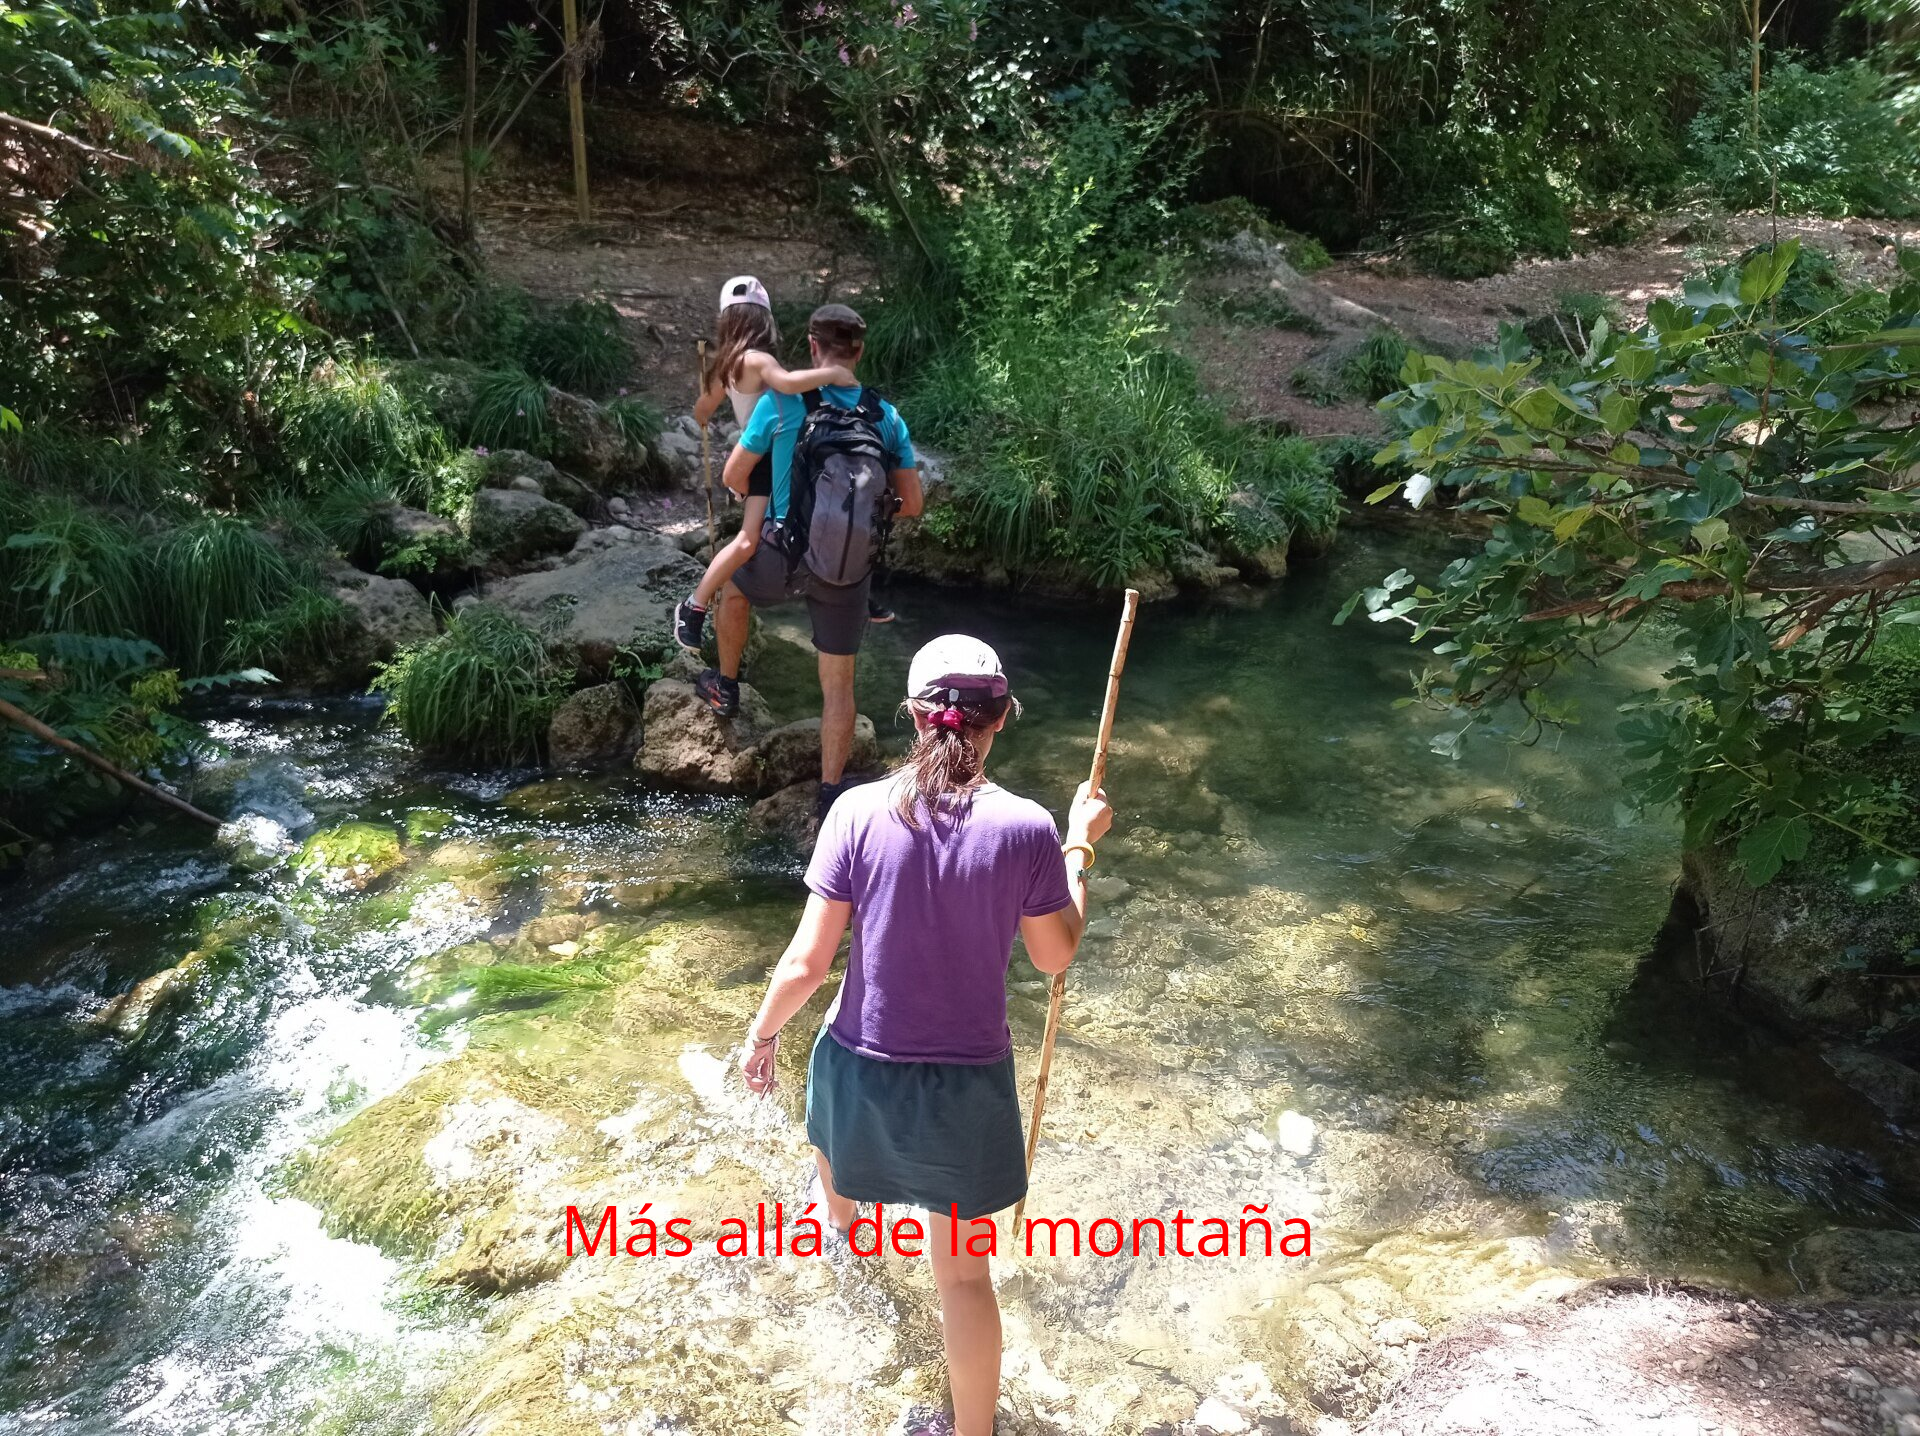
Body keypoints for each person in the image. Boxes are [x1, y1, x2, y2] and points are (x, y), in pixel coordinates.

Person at [738, 634, 1113, 1436]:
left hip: (858, 1067)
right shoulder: (1027, 828)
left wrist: (762, 1036)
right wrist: (1080, 846)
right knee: (964, 1282)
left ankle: (837, 1250)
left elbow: (807, 963)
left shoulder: (857, 811)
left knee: (834, 1180)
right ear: (1001, 720)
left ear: (912, 716)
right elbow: (1056, 957)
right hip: (966, 1084)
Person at [694, 303, 923, 821]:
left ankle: (725, 686)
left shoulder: (782, 404)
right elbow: (912, 504)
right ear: (860, 351)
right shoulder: (884, 416)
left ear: (813, 347)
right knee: (838, 685)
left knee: (733, 587)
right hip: (847, 571)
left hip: (783, 554)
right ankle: (830, 790)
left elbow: (733, 475)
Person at [674, 276, 859, 652]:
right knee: (752, 538)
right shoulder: (760, 359)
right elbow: (788, 384)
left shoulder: (726, 364)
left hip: (759, 453)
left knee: (750, 541)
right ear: (764, 322)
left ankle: (696, 607)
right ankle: (693, 606)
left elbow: (702, 410)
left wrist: (704, 414)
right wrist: (835, 374)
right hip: (766, 456)